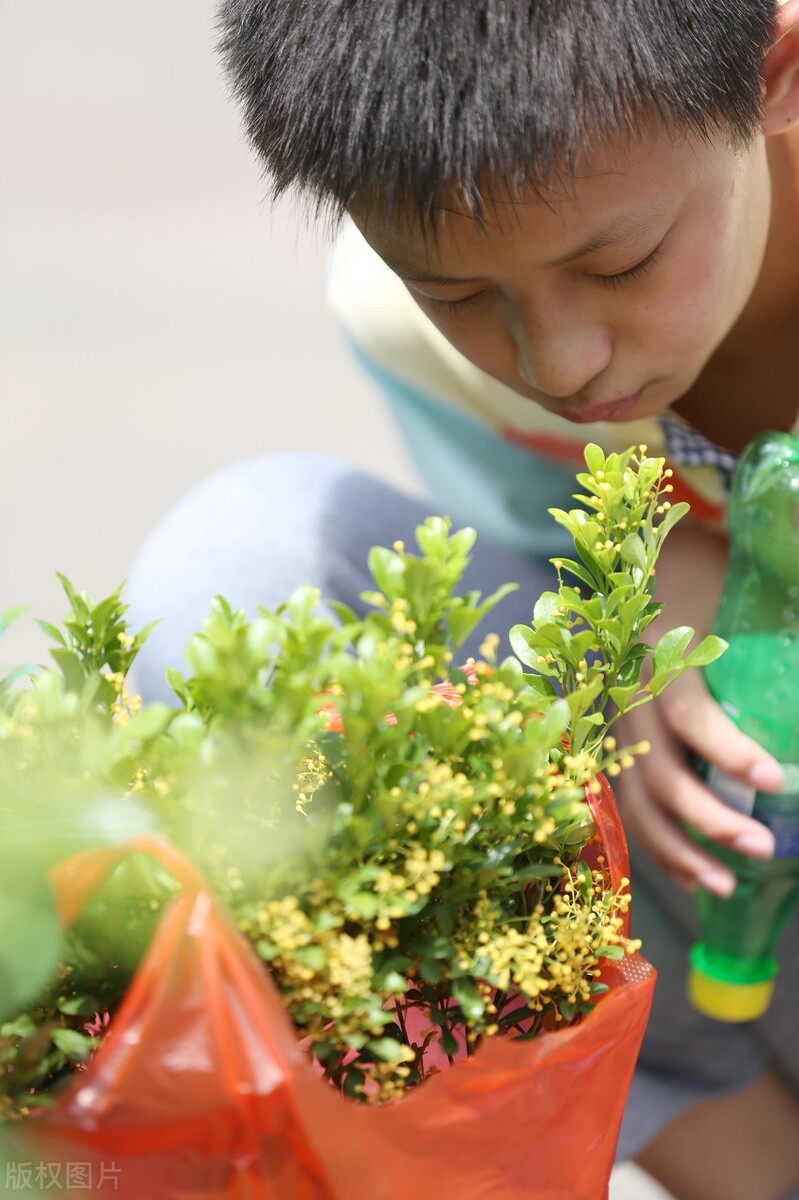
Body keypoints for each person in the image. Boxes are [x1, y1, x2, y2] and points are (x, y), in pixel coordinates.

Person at [127, 2, 799, 1196]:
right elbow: (542, 532)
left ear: (773, 72)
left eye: (620, 265)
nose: (559, 362)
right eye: (459, 295)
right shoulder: (399, 324)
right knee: (247, 572)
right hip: (713, 925)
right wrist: (651, 574)